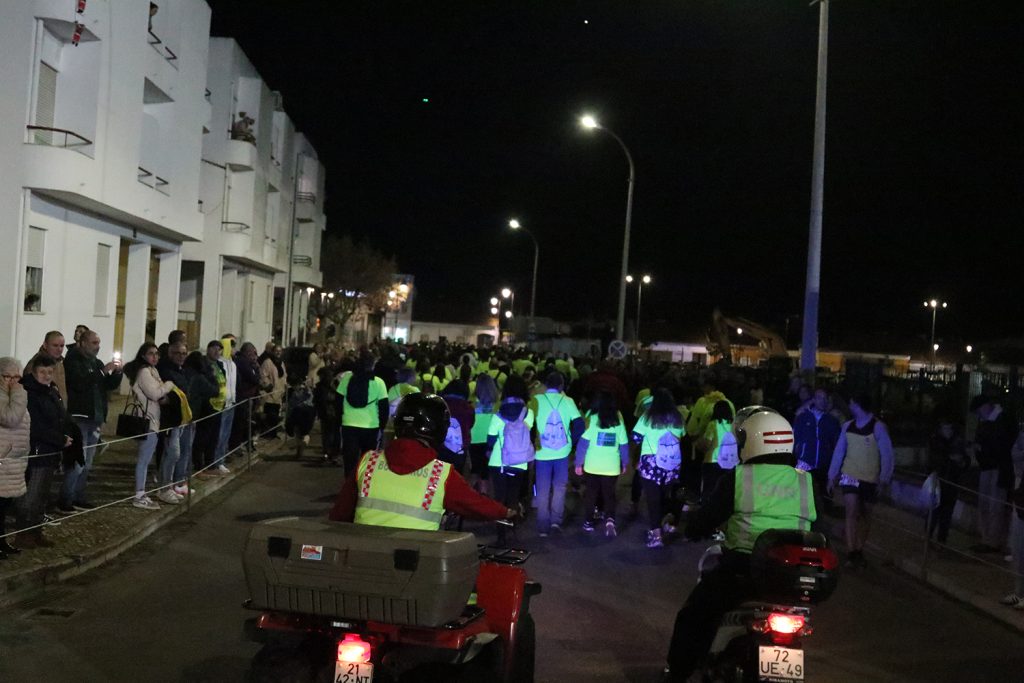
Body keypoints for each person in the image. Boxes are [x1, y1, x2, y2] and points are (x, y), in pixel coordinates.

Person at [664, 408, 818, 681]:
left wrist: (693, 528)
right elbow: (819, 528)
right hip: (792, 578)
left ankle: (677, 674)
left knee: (693, 616)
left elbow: (707, 518)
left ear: (753, 441)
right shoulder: (806, 481)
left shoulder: (739, 478)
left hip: (742, 572)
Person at [329, 393, 517, 529]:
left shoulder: (368, 462)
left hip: (364, 559)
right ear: (439, 429)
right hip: (417, 562)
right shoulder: (440, 475)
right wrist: (506, 512)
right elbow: (475, 505)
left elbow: (340, 514)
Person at [827, 393, 894, 567]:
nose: (849, 407)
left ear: (858, 405)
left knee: (865, 516)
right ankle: (852, 552)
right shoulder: (847, 426)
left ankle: (858, 548)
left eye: (851, 403)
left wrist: (884, 478)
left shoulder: (878, 427)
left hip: (870, 477)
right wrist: (832, 475)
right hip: (849, 474)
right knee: (851, 512)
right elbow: (839, 452)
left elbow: (887, 454)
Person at [62, 330, 122, 513]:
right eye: (94, 343)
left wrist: (117, 373)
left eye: (99, 343)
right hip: (79, 417)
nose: (98, 346)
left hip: (95, 418)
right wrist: (102, 372)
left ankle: (79, 496)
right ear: (82, 343)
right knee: (77, 462)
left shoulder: (96, 362)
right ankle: (66, 499)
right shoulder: (73, 361)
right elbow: (80, 383)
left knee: (87, 463)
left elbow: (107, 385)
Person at [18, 356, 74, 548]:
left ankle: (36, 531)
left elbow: (60, 416)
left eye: (50, 372)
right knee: (32, 494)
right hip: (38, 451)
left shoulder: (51, 391)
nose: (47, 375)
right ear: (34, 372)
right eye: (42, 372)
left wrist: (66, 433)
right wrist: (60, 439)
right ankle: (24, 533)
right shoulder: (30, 393)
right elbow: (35, 426)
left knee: (42, 495)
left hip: (50, 450)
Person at [125, 343, 177, 510]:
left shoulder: (152, 370)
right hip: (147, 419)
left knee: (146, 459)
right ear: (143, 355)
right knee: (144, 459)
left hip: (153, 418)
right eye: (151, 353)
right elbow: (155, 394)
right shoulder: (144, 372)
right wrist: (169, 385)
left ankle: (141, 493)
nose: (155, 357)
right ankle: (139, 495)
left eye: (157, 354)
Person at [532, 371, 584, 537]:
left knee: (542, 489)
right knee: (560, 487)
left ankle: (542, 526)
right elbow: (579, 425)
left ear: (546, 385)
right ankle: (556, 521)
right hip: (562, 451)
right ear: (562, 386)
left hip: (541, 452)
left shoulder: (536, 400)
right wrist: (572, 443)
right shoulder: (568, 401)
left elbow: (528, 423)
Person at [633, 388, 685, 548]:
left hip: (651, 462)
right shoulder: (677, 417)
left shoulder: (647, 416)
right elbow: (682, 436)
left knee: (652, 498)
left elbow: (636, 437)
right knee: (664, 495)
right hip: (671, 463)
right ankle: (665, 522)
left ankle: (656, 534)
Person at [486, 375, 534, 543]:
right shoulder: (529, 413)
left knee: (500, 497)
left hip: (498, 462)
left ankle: (500, 534)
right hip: (519, 461)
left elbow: (491, 438)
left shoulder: (498, 415)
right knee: (513, 496)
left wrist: (489, 450)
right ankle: (512, 527)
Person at [576, 390, 629, 537]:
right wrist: (625, 462)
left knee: (591, 494)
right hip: (611, 466)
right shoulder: (618, 420)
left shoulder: (591, 419)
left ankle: (588, 522)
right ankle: (610, 520)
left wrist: (579, 463)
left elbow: (583, 444)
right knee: (609, 494)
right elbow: (624, 445)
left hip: (592, 465)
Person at [969, 394, 1016, 554]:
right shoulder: (987, 421)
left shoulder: (1002, 420)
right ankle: (987, 539)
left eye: (978, 412)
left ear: (985, 407)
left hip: (998, 468)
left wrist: (982, 448)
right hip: (987, 467)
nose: (979, 415)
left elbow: (1003, 446)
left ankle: (992, 541)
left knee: (995, 505)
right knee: (985, 504)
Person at [336, 351, 389, 475]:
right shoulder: (379, 382)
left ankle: (349, 483)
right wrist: (382, 426)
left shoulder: (347, 379)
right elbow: (383, 408)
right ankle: (364, 482)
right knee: (367, 460)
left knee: (350, 459)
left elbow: (338, 401)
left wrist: (339, 420)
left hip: (349, 424)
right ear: (372, 365)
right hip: (371, 426)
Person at [174, 350, 218, 494]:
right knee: (185, 450)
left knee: (177, 450)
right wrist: (211, 375)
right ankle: (180, 481)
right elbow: (214, 390)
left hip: (180, 415)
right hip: (189, 416)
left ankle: (176, 480)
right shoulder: (199, 377)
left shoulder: (184, 373)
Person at [792, 387, 842, 512]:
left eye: (825, 398)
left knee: (825, 498)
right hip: (805, 463)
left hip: (824, 464)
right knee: (803, 497)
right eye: (820, 398)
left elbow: (837, 444)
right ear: (814, 400)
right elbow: (795, 438)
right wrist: (796, 457)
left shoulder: (832, 421)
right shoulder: (803, 417)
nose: (823, 401)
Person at [0, 357, 30, 558]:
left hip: (13, 458)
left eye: (17, 377)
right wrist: (19, 393)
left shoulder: (12, 395)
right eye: (7, 376)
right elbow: (10, 419)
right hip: (3, 458)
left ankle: (2, 541)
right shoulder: (8, 395)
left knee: (4, 505)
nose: (13, 381)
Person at [927, 417, 969, 545]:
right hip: (938, 481)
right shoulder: (935, 440)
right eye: (945, 428)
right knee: (934, 511)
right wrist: (949, 458)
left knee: (947, 513)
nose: (948, 431)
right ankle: (928, 537)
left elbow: (965, 459)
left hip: (952, 481)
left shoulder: (957, 441)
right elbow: (933, 460)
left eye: (950, 428)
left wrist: (962, 462)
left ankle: (942, 540)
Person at [696, 400, 737, 505]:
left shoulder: (713, 424)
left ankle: (706, 511)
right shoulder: (734, 425)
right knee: (726, 492)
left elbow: (706, 443)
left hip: (713, 462)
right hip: (730, 463)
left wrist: (698, 445)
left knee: (709, 491)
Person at [468, 373, 498, 494]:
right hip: (491, 440)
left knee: (475, 470)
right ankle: (484, 494)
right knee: (486, 471)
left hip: (474, 439)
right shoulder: (497, 406)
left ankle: (470, 494)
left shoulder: (471, 404)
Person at [439, 379, 474, 474]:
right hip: (459, 448)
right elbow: (470, 425)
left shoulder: (439, 403)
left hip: (440, 446)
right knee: (456, 474)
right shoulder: (468, 408)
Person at [24, 331, 68, 402]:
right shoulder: (35, 364)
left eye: (62, 346)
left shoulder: (59, 363)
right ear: (45, 345)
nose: (59, 349)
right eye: (55, 345)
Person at [259, 343, 287, 439]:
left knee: (276, 414)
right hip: (270, 393)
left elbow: (284, 375)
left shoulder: (281, 363)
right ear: (273, 352)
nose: (278, 353)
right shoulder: (268, 362)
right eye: (276, 351)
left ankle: (273, 433)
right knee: (269, 414)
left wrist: (285, 385)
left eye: (280, 351)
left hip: (279, 393)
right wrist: (268, 384)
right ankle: (268, 434)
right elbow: (263, 375)